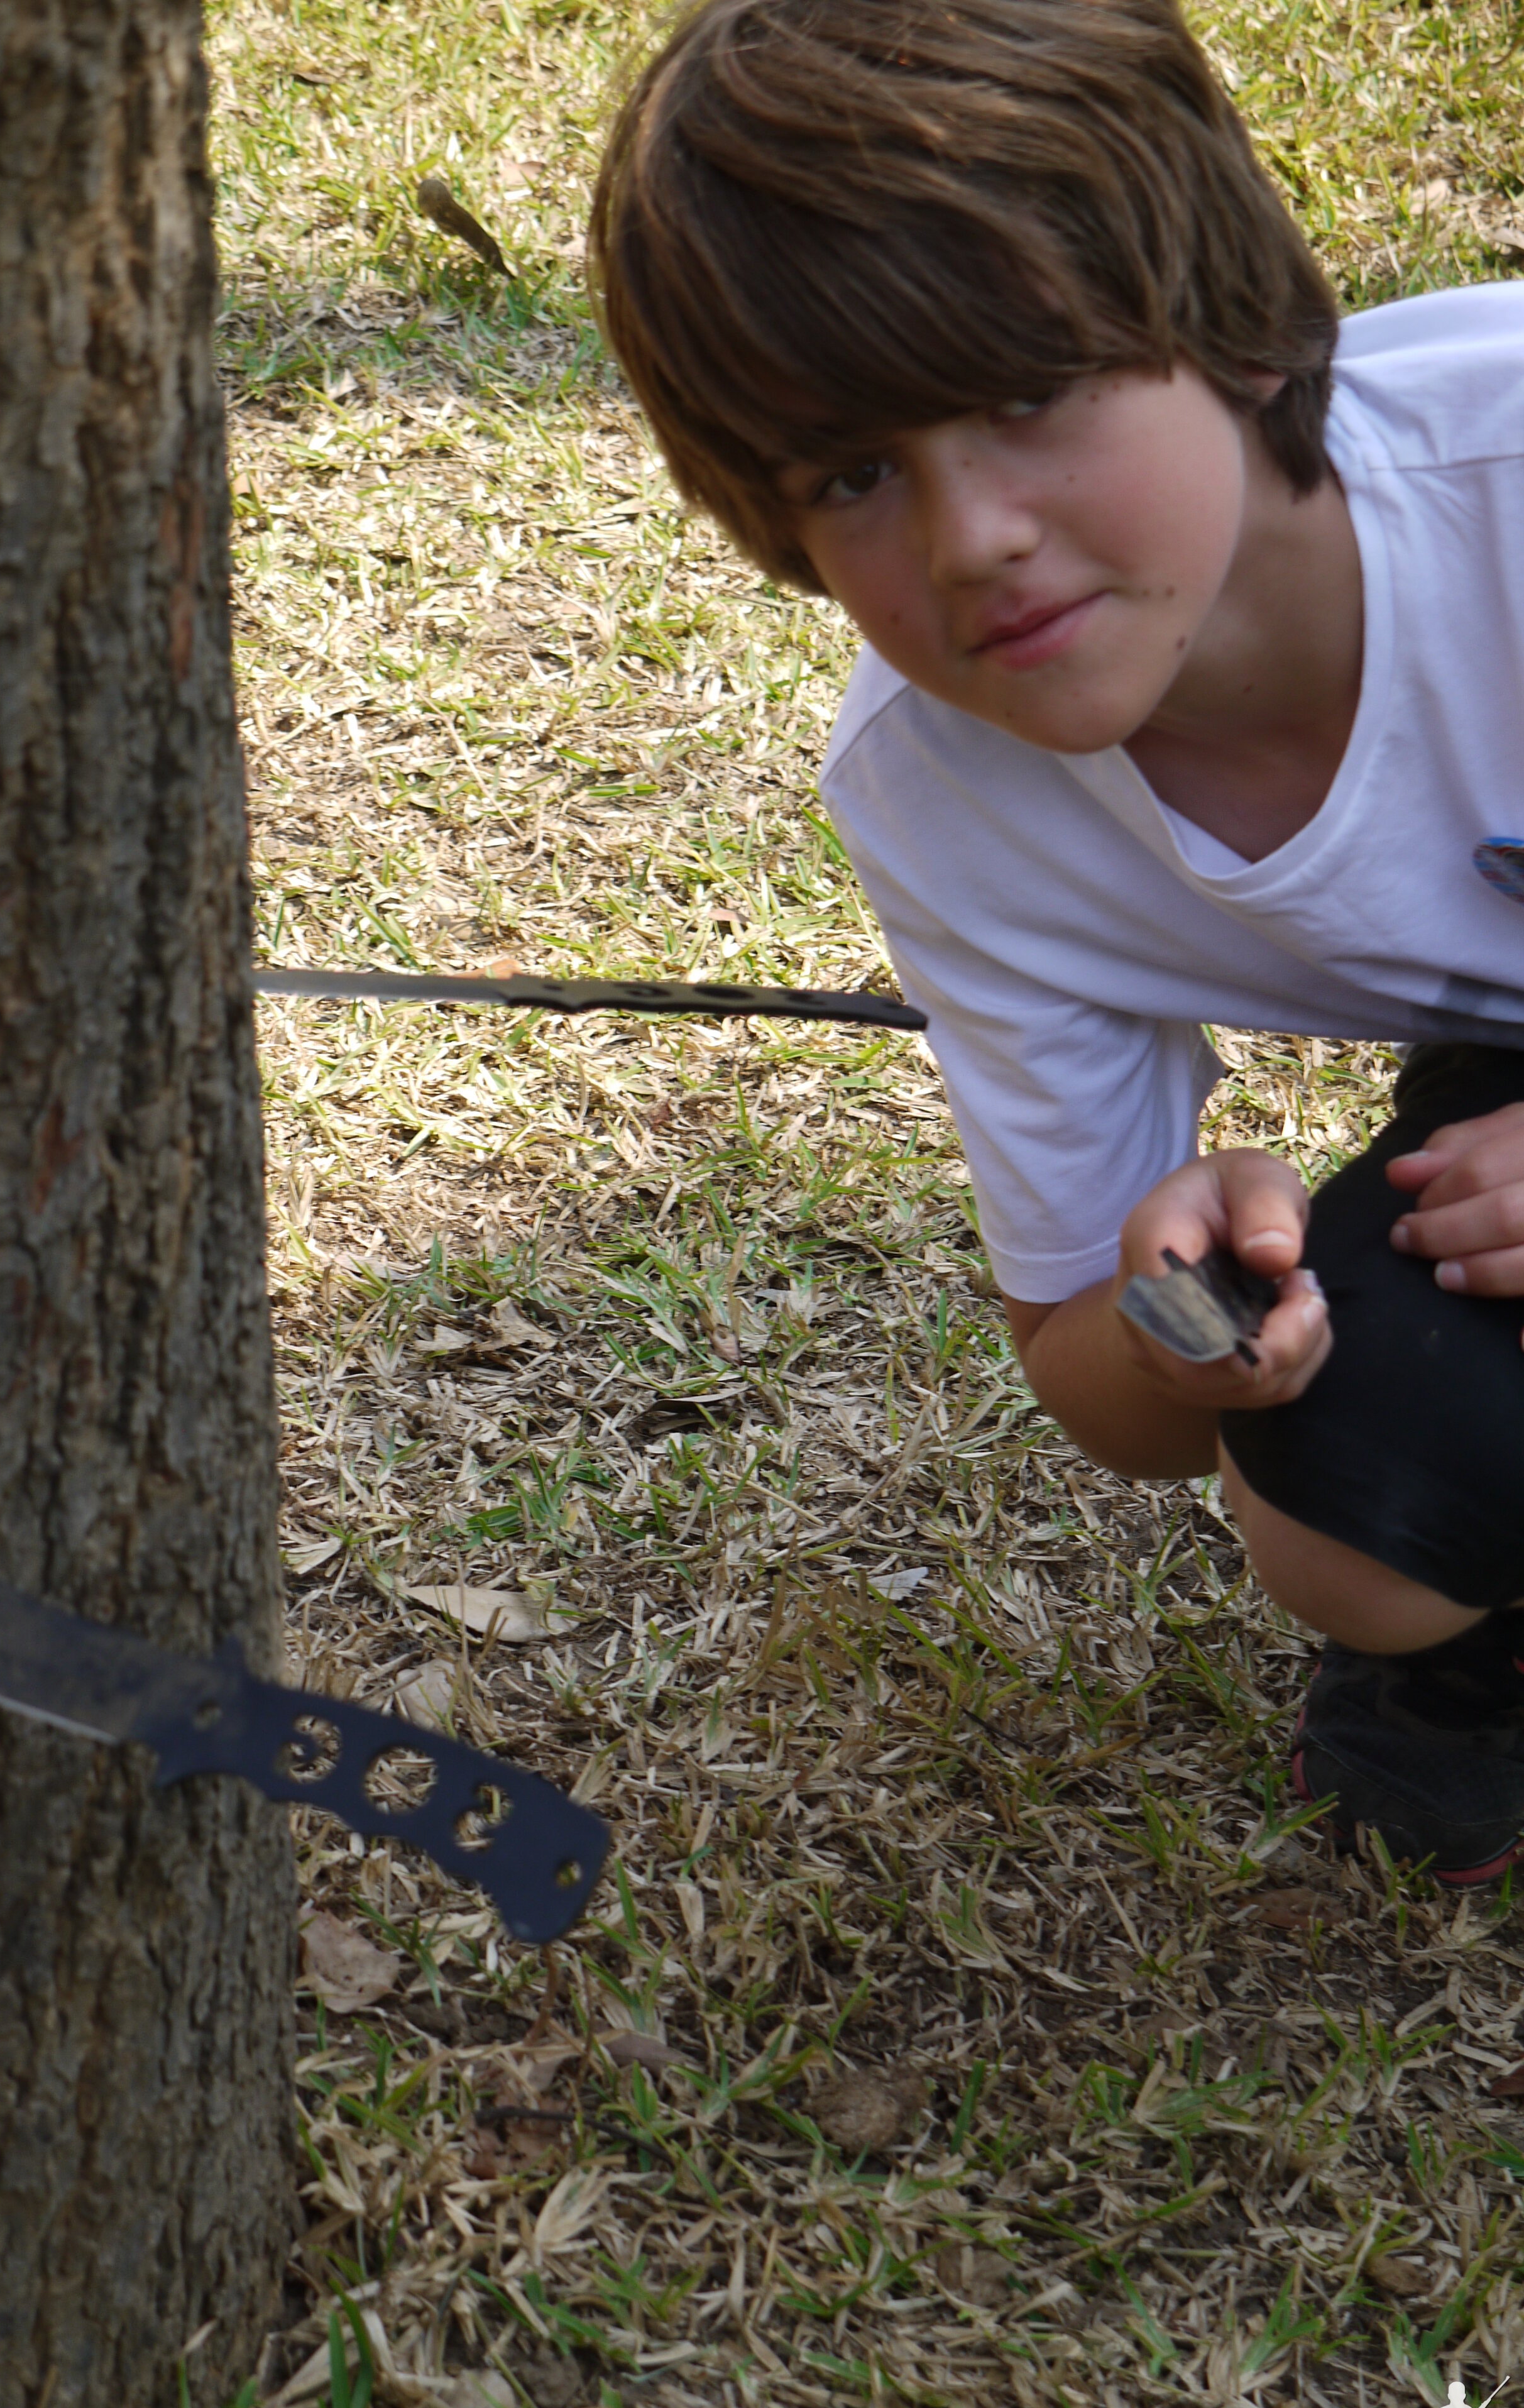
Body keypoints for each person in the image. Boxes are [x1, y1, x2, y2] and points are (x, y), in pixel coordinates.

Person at [589, 0, 1524, 1883]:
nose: (973, 538)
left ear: (1232, 326)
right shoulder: (947, 792)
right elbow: (1089, 1376)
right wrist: (1188, 1328)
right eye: (850, 474)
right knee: (1342, 1494)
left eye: (1027, 397)